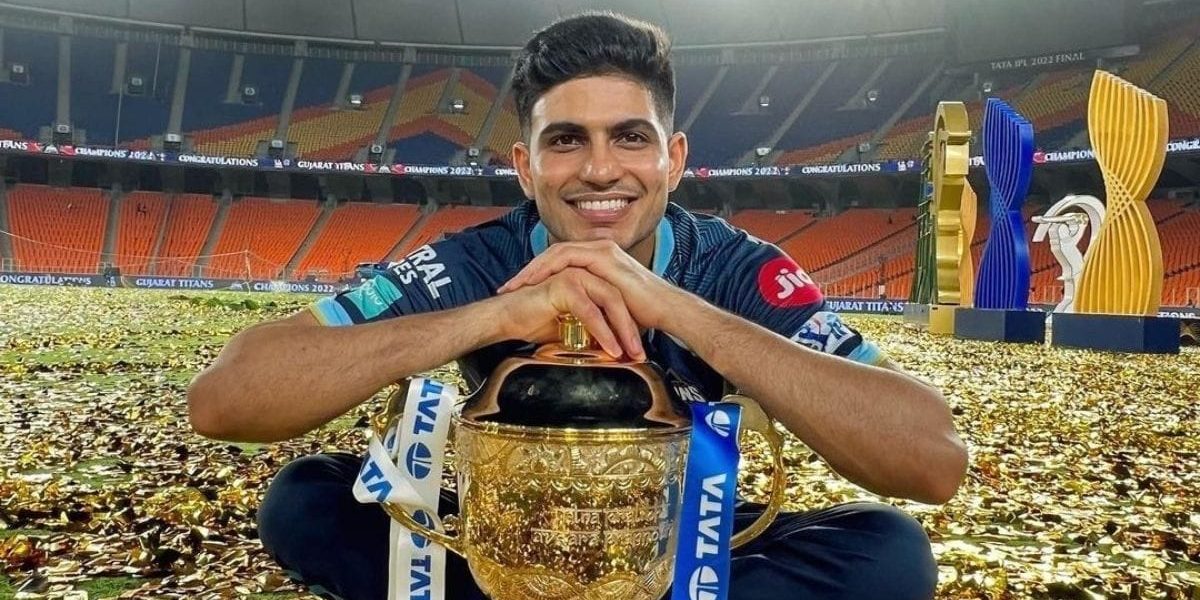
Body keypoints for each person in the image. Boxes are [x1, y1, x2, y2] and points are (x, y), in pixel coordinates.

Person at [187, 13, 967, 600]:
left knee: (888, 549)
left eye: (630, 138)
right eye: (565, 141)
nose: (599, 170)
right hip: (508, 525)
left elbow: (932, 458)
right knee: (310, 497)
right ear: (525, 167)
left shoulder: (737, 269)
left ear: (673, 159)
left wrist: (680, 310)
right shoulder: (476, 262)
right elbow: (225, 398)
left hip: (678, 532)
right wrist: (496, 316)